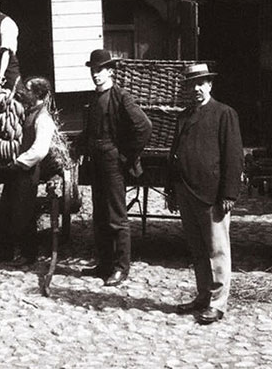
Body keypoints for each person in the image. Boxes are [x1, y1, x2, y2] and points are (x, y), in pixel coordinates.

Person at [169, 63, 243, 325]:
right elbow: (175, 154)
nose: (196, 89)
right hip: (187, 191)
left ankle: (217, 303)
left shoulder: (224, 114)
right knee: (197, 249)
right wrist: (172, 190)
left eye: (201, 83)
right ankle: (203, 296)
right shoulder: (184, 116)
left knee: (217, 250)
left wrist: (229, 194)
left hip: (212, 195)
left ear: (210, 85)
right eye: (192, 84)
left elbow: (234, 157)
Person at [76, 49, 152, 287]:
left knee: (117, 216)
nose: (96, 75)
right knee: (99, 213)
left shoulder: (121, 96)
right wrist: (77, 148)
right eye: (93, 70)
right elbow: (90, 130)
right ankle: (105, 264)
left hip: (113, 161)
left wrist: (126, 155)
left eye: (100, 70)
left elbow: (144, 126)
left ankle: (121, 268)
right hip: (96, 160)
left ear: (110, 71)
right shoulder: (93, 98)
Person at [0, 77, 58, 266]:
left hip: (28, 170)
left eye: (28, 90)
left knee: (24, 212)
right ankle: (6, 251)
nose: (24, 92)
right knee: (6, 208)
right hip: (18, 169)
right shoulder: (29, 112)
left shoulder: (43, 118)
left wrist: (19, 162)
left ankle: (28, 254)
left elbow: (40, 149)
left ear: (37, 94)